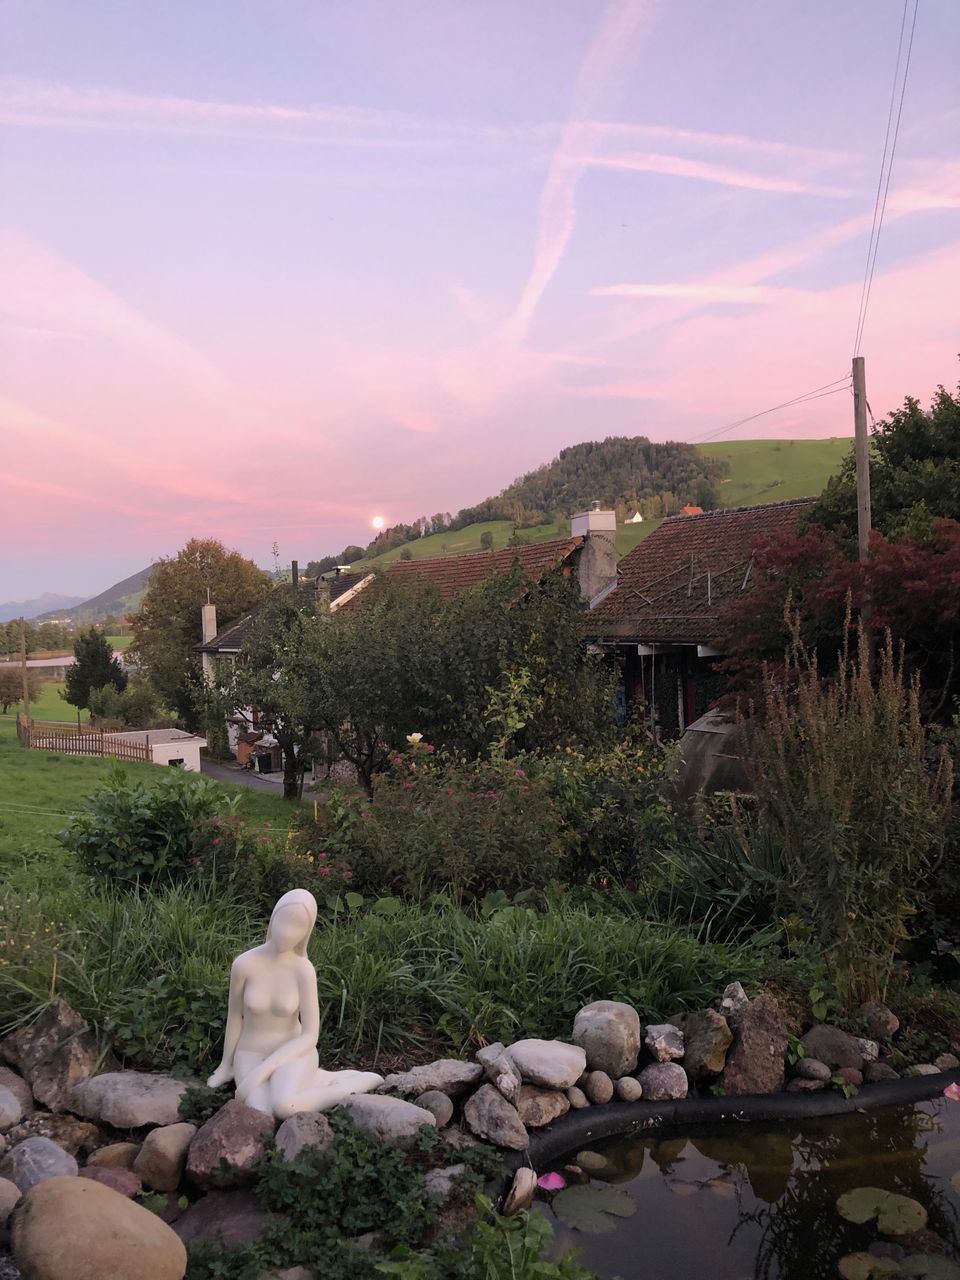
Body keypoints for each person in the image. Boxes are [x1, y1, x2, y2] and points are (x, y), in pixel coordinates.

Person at [207, 888, 383, 1117]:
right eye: (283, 921)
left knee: (284, 1107)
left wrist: (267, 1067)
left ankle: (349, 1086)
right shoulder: (244, 964)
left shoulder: (303, 970)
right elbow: (234, 1016)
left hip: (293, 1052)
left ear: (306, 933)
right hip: (250, 1053)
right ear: (273, 919)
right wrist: (225, 1065)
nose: (287, 933)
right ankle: (317, 1079)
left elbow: (310, 1035)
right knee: (261, 1112)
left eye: (298, 927)